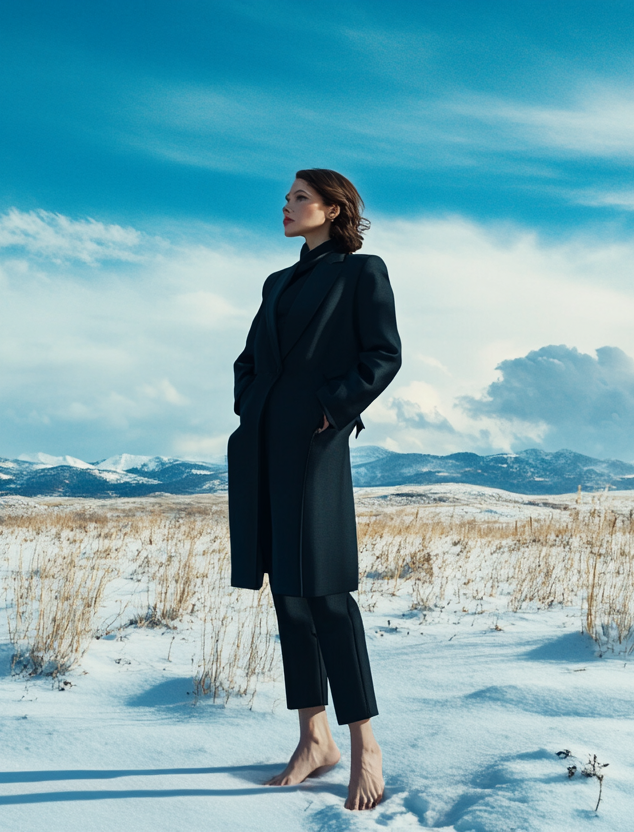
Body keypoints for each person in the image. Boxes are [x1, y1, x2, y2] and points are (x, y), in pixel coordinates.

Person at [226, 169, 402, 811]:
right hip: (264, 447)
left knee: (326, 593)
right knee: (287, 593)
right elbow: (248, 359)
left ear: (333, 209)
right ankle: (313, 739)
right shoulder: (276, 283)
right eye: (286, 198)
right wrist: (255, 407)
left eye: (300, 198)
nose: (287, 206)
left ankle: (365, 746)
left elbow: (383, 354)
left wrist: (331, 409)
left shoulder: (363, 272)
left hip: (315, 446)